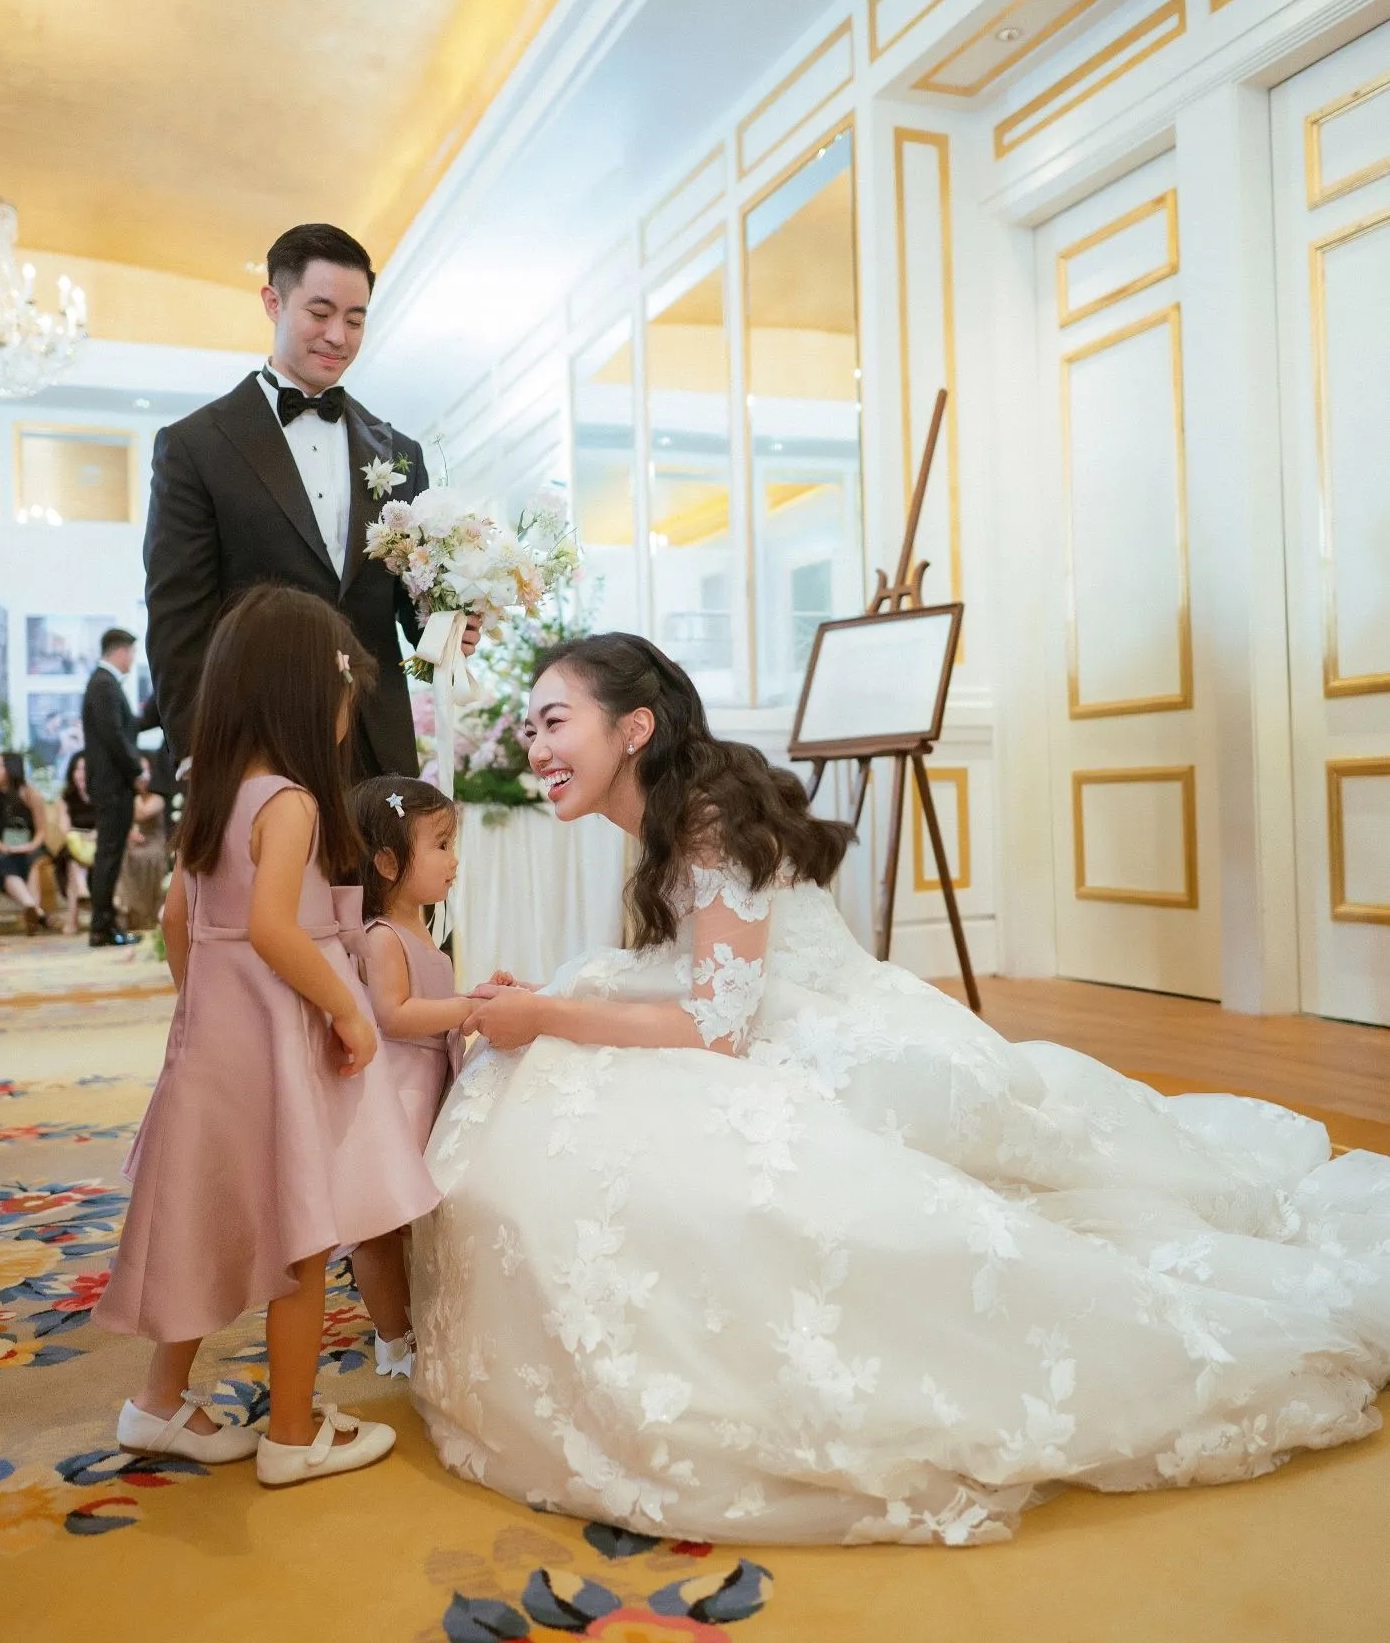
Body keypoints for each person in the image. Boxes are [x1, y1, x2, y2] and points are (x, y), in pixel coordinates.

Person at [409, 632, 1390, 1548]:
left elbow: (719, 1025)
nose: (534, 744)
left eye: (553, 720)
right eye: (529, 725)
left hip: (839, 1041)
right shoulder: (666, 813)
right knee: (561, 1051)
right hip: (771, 1015)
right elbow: (696, 974)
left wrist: (546, 1016)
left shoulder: (706, 815)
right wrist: (550, 1005)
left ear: (634, 727)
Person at [94, 585, 442, 1488]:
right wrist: (346, 1007)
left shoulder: (213, 793)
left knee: (201, 1216)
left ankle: (159, 1403)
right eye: (340, 697)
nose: (343, 718)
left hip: (217, 1040)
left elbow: (181, 921)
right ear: (301, 696)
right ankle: (292, 1431)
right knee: (302, 1228)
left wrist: (207, 1013)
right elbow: (277, 930)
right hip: (286, 1040)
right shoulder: (289, 802)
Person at [142, 223, 479, 782]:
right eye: (320, 313)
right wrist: (197, 756)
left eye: (355, 318)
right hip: (257, 744)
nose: (338, 336)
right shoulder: (194, 447)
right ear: (273, 302)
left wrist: (449, 627)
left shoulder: (400, 454)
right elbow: (178, 618)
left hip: (376, 748)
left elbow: (408, 610)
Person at [350, 774, 501, 1382]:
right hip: (399, 1094)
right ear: (388, 862)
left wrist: (479, 998)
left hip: (429, 1084)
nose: (453, 859)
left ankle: (416, 1318)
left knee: (416, 1213)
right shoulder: (383, 936)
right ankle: (393, 1336)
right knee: (381, 1221)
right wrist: (469, 1008)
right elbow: (395, 1014)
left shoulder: (422, 933)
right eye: (440, 844)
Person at [82, 628, 144, 948]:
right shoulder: (104, 685)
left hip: (109, 784)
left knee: (109, 853)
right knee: (109, 854)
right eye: (131, 653)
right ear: (118, 651)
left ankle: (103, 924)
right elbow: (114, 736)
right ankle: (101, 926)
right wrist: (137, 771)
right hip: (113, 785)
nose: (132, 660)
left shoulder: (102, 685)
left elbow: (126, 727)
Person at [0, 751, 52, 934]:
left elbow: (42, 830)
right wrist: (2, 846)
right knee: (2, 861)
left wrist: (29, 846)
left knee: (34, 861)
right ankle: (33, 908)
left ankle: (33, 915)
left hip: (31, 845)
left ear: (11, 769)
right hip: (3, 847)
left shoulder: (30, 794)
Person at [118, 756, 169, 932]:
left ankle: (150, 913)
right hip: (132, 845)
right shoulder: (124, 799)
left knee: (148, 856)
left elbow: (141, 814)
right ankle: (128, 909)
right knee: (122, 856)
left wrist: (134, 794)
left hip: (153, 843)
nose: (142, 776)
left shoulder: (157, 798)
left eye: (145, 771)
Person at [54, 752, 98, 935]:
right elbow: (65, 828)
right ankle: (77, 899)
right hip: (75, 844)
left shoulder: (103, 796)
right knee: (72, 857)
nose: (81, 774)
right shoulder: (65, 798)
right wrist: (81, 838)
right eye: (77, 769)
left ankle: (74, 915)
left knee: (88, 857)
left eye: (85, 769)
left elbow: (107, 824)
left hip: (99, 843)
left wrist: (95, 835)